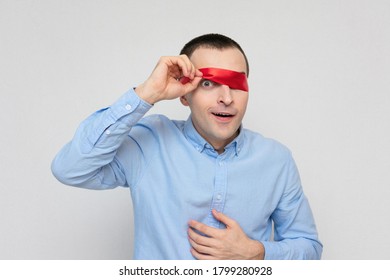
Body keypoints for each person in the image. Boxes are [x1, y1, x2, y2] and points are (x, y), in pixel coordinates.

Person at [51, 33, 322, 260]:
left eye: (236, 84)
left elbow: (309, 247)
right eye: (208, 83)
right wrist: (147, 93)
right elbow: (70, 169)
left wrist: (257, 252)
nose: (226, 98)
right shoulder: (150, 142)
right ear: (184, 94)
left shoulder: (277, 159)